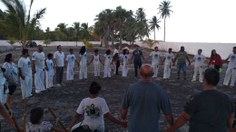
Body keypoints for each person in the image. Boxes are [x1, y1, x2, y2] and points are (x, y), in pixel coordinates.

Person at [167, 68, 235, 132]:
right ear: (217, 81)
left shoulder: (196, 98)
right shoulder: (228, 99)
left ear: (204, 80)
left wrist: (172, 128)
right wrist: (229, 128)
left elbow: (184, 117)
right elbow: (231, 118)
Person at [121, 64, 173, 132]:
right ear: (153, 74)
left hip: (134, 128)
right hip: (152, 129)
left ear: (140, 73)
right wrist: (172, 125)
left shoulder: (131, 89)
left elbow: (124, 109)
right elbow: (168, 114)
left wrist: (123, 119)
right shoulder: (160, 91)